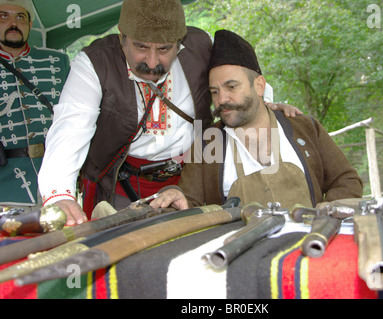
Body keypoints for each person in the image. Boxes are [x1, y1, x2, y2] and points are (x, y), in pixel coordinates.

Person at [38, 0, 298, 226]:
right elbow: (71, 126)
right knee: (122, 261)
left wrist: (267, 104)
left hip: (193, 179)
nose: (152, 62)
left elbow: (240, 78)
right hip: (121, 182)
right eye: (141, 47)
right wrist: (59, 195)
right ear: (122, 37)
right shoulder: (95, 62)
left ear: (179, 42)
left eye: (164, 50)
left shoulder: (199, 46)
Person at [150, 30, 363, 211]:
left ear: (259, 86)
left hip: (311, 245)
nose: (221, 99)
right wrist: (175, 195)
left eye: (232, 87)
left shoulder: (305, 128)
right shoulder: (207, 144)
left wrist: (327, 214)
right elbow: (189, 201)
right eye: (214, 91)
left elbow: (346, 180)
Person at [0, 0, 70, 212]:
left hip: (56, 179)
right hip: (6, 185)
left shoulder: (57, 61)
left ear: (30, 24)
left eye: (20, 17)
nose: (14, 23)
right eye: (4, 16)